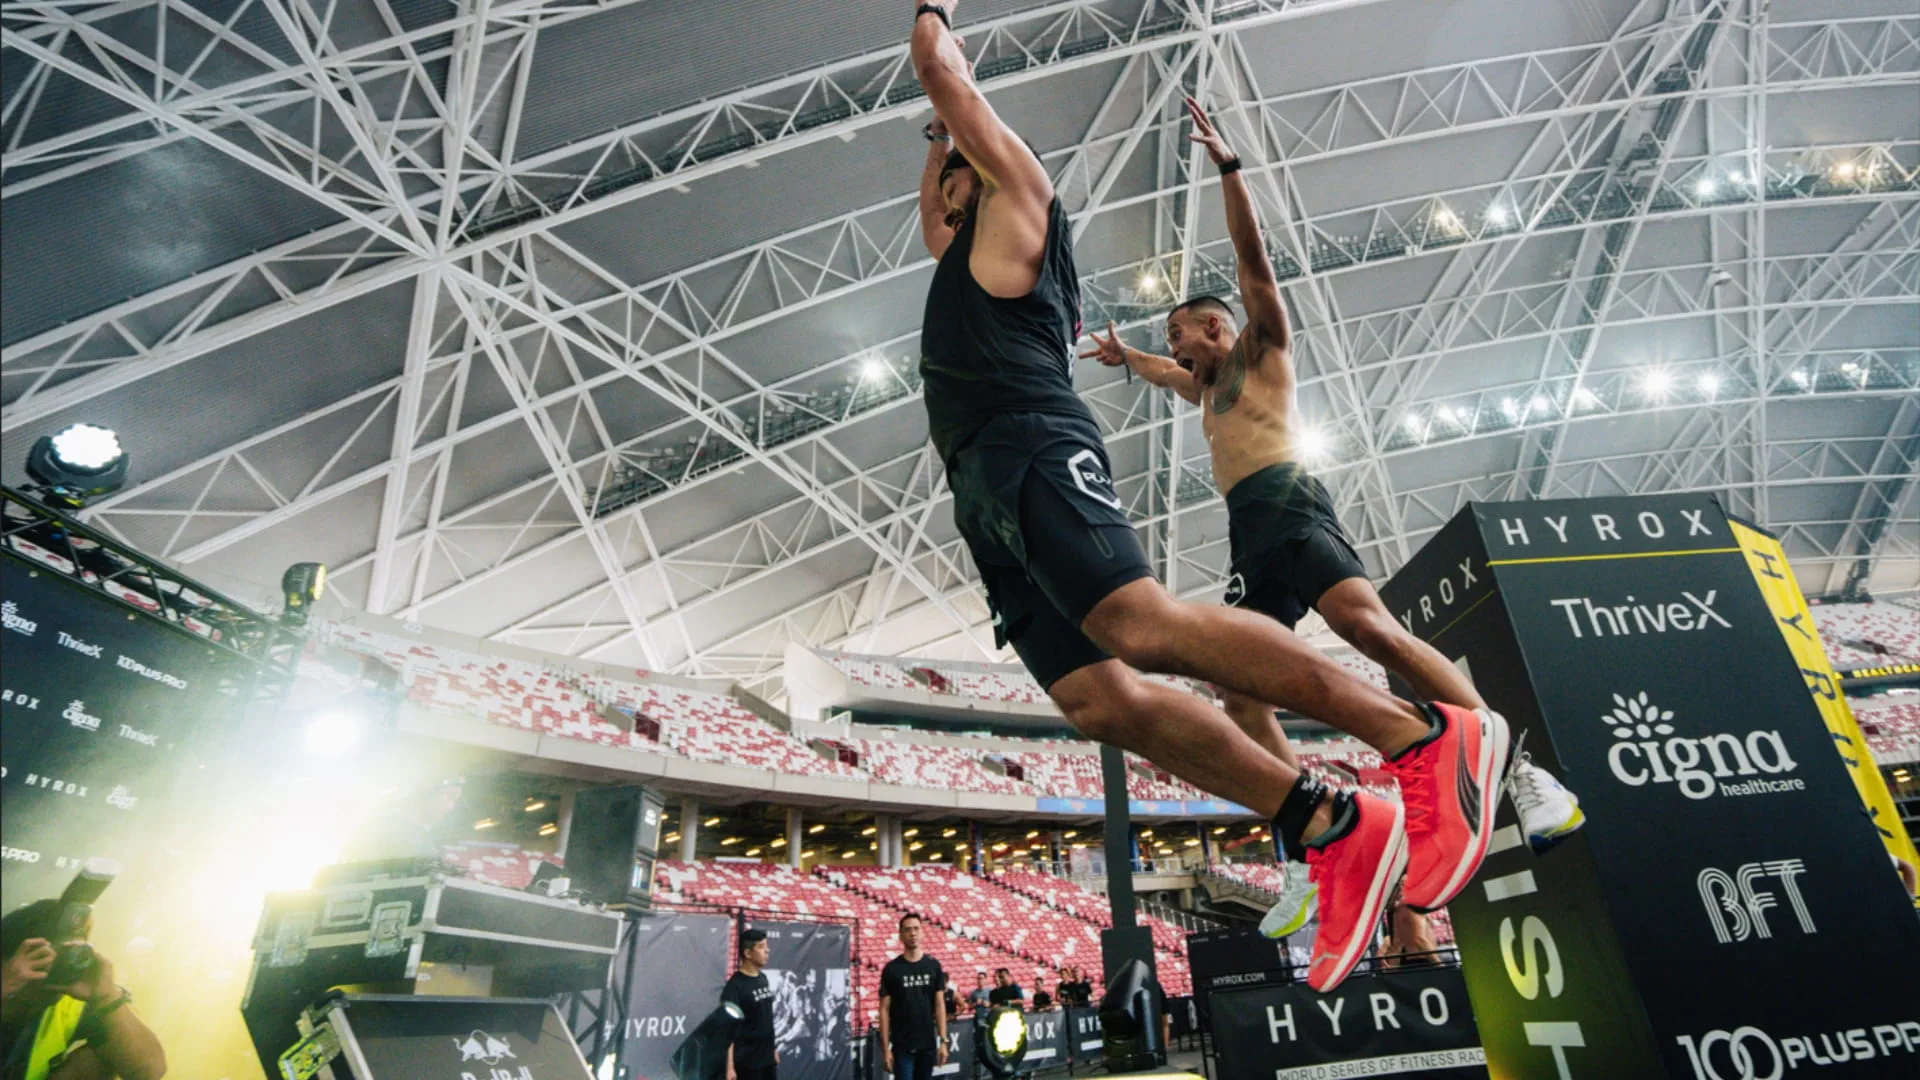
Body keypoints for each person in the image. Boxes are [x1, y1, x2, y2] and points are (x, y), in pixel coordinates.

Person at [910, 0, 1507, 994]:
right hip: (983, 489)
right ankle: (1324, 821)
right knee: (1100, 698)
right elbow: (933, 201)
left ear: (987, 165)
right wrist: (934, 140)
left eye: (953, 159)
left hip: (1033, 446)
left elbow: (940, 66)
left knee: (1143, 627)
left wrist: (935, 20)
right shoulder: (964, 254)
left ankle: (1423, 736)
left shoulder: (1021, 200)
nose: (940, 182)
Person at [1079, 95, 1587, 943]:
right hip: (1252, 532)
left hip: (1293, 500)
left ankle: (1527, 772)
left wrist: (1230, 172)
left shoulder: (1260, 349)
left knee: (1371, 633)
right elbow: (1165, 377)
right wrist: (1126, 358)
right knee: (1234, 687)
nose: (1176, 351)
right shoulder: (1202, 388)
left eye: (1180, 336)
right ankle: (1309, 846)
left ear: (1213, 327)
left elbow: (1255, 267)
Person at [0, 900, 166, 1080]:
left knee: (104, 1056)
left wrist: (107, 997)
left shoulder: (71, 1003)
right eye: (43, 955)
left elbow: (149, 1071)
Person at [877, 915, 947, 1080]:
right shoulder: (891, 969)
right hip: (902, 1047)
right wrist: (886, 1049)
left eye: (916, 928)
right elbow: (884, 1010)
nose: (913, 933)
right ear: (901, 936)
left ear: (922, 933)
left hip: (927, 1045)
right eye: (907, 929)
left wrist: (943, 1041)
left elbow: (939, 1004)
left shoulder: (933, 966)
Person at [722, 929, 778, 1080]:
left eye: (767, 945)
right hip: (747, 1064)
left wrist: (773, 1049)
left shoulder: (763, 978)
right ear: (747, 953)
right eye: (761, 946)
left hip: (767, 1060)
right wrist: (729, 1067)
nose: (767, 950)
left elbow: (766, 1019)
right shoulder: (734, 987)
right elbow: (727, 1032)